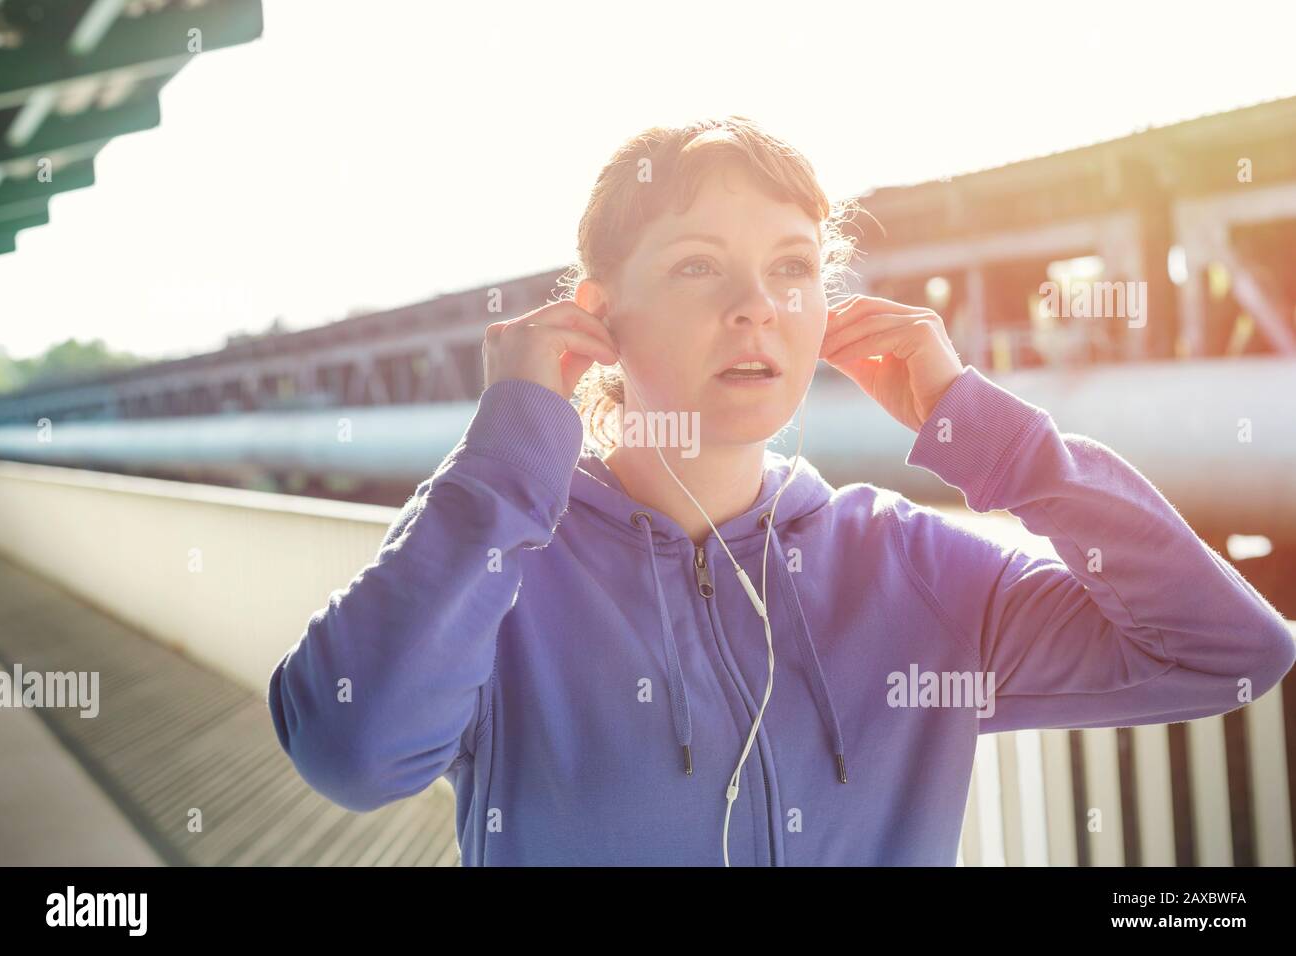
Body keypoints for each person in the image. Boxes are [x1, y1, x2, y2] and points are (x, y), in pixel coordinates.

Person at [265, 116, 1295, 866]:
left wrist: (994, 440)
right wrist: (508, 452)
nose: (757, 307)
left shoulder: (911, 565)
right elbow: (351, 753)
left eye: (792, 268)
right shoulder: (498, 557)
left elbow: (1227, 651)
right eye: (699, 268)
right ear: (597, 315)